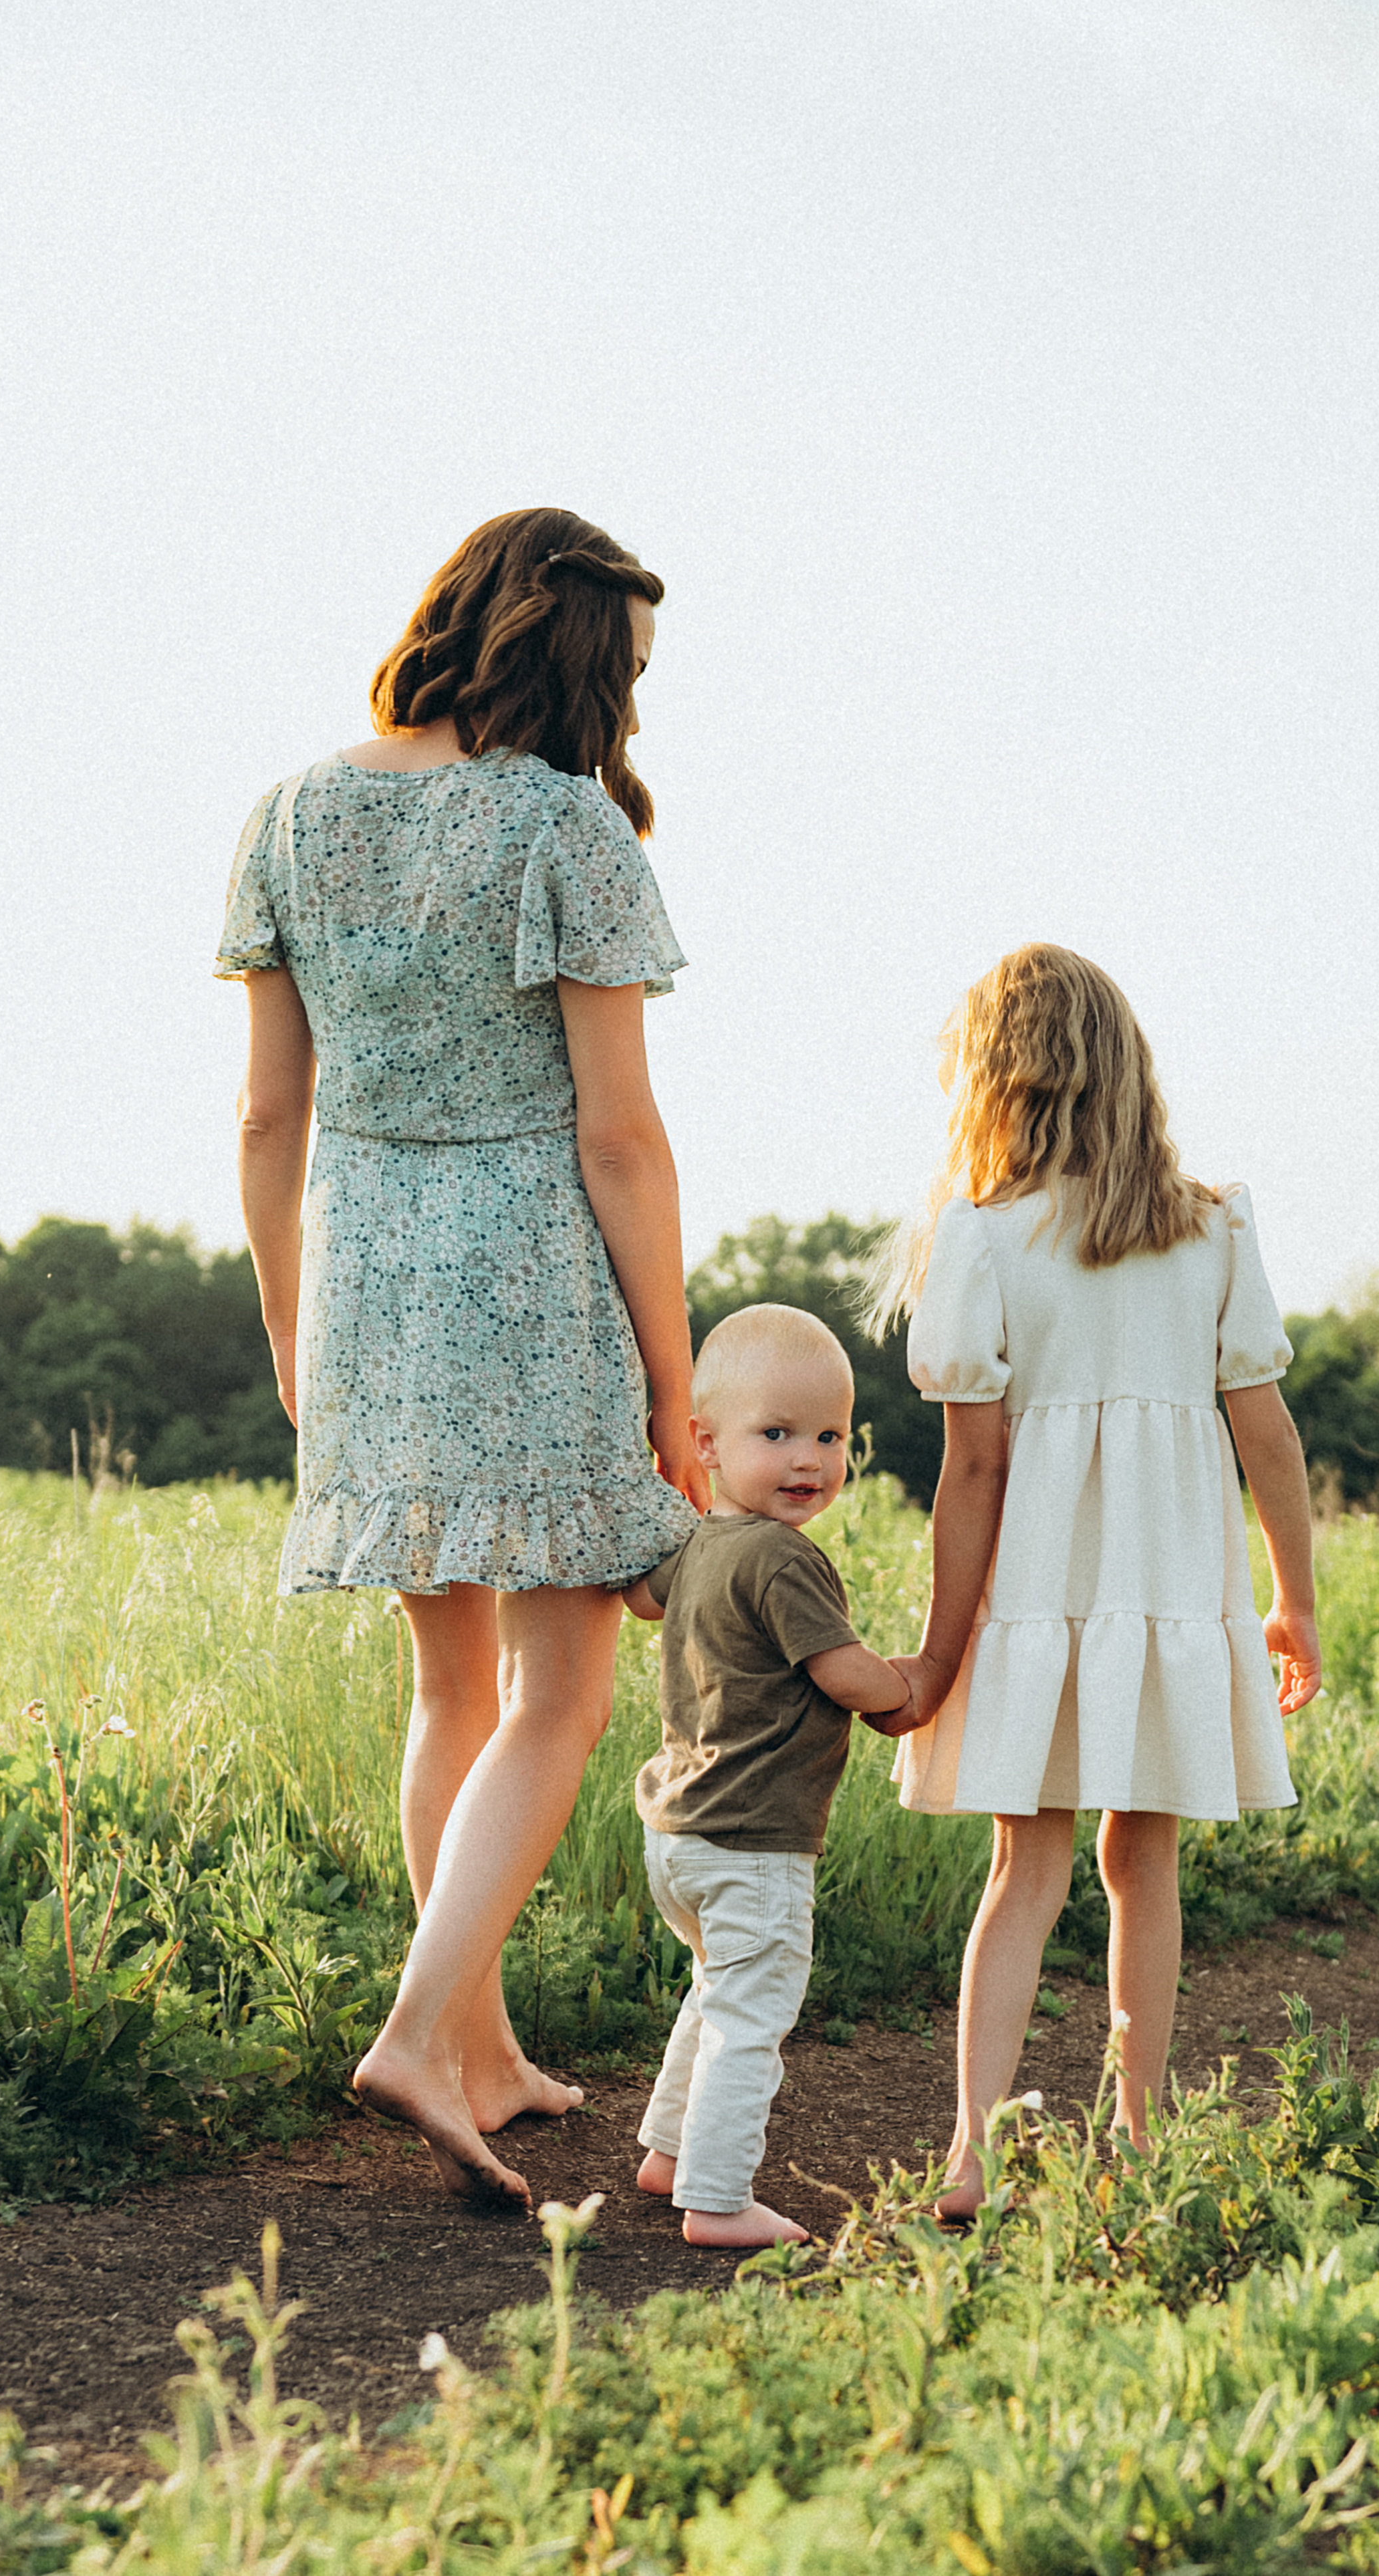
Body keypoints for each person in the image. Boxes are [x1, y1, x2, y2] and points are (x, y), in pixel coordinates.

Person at [215, 507, 706, 2209]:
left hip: (365, 1283)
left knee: (453, 1688)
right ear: (569, 654)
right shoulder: (563, 826)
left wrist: (292, 1320)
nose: (630, 707)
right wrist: (670, 1372)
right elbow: (620, 1139)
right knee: (560, 1695)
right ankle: (426, 2028)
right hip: (530, 1280)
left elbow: (269, 1114)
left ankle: (482, 2048)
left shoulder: (289, 814)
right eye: (625, 671)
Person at [878, 944, 1321, 2218]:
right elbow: (1270, 1437)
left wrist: (942, 1645)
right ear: (1128, 1070)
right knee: (1148, 1863)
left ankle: (971, 2155)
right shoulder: (1214, 1228)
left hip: (1039, 1600)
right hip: (1177, 1594)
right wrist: (1293, 1601)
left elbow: (974, 1474)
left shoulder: (982, 1238)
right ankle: (1134, 2137)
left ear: (996, 1080)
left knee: (1027, 1867)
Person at [622, 1305, 920, 2247]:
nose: (809, 1459)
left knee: (717, 1990)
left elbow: (639, 1597)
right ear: (708, 1442)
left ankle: (669, 2151)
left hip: (676, 1832)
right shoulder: (786, 1559)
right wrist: (922, 1684)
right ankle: (714, 2197)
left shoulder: (703, 1544)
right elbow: (850, 1677)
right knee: (752, 2014)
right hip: (754, 1841)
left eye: (830, 1436)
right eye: (777, 1434)